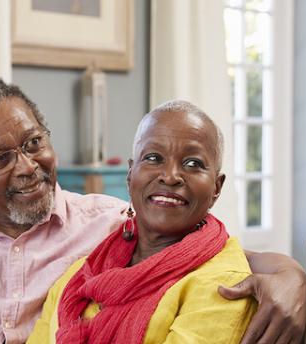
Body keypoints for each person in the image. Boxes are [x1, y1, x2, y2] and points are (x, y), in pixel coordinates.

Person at [0, 79, 306, 344]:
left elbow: (202, 247)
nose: (27, 168)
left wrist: (293, 276)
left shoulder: (109, 225)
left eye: (34, 143)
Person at [28, 100, 255, 343]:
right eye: (154, 158)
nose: (170, 177)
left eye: (193, 164)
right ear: (130, 174)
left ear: (216, 188)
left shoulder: (225, 281)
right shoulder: (80, 274)